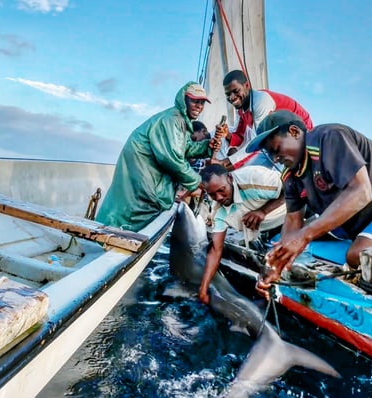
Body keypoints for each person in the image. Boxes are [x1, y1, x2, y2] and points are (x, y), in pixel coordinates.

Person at [245, 110, 372, 300]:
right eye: (270, 155)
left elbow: (362, 191)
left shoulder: (329, 138)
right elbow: (292, 219)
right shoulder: (290, 176)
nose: (275, 159)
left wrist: (304, 236)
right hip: (351, 225)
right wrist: (276, 267)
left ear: (295, 132)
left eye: (276, 149)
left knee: (357, 256)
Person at [96, 82, 217, 232]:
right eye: (195, 101)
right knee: (136, 205)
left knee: (137, 206)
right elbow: (172, 159)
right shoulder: (172, 120)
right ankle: (112, 235)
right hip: (142, 166)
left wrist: (208, 146)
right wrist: (197, 181)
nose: (199, 106)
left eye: (202, 102)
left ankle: (120, 232)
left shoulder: (181, 122)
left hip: (147, 169)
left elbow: (186, 148)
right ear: (183, 100)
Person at [198, 163, 286, 305]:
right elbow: (216, 249)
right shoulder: (219, 212)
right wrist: (203, 288)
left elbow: (294, 189)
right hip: (266, 230)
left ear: (230, 178)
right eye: (212, 195)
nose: (219, 197)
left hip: (291, 214)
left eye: (222, 190)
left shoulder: (255, 178)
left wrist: (263, 211)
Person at [212, 69, 313, 171]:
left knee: (253, 166)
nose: (232, 97)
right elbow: (240, 136)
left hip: (300, 133)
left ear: (246, 86)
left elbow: (258, 142)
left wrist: (225, 163)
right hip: (277, 138)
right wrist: (228, 135)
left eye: (236, 91)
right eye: (228, 94)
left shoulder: (261, 101)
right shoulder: (241, 108)